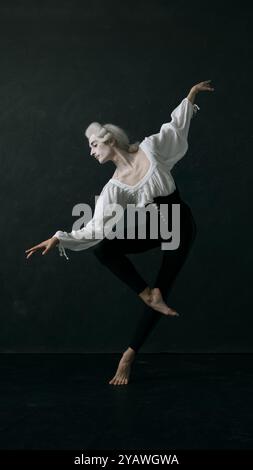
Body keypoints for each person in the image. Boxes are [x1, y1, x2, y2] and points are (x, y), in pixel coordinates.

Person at [25, 80, 214, 385]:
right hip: (157, 226)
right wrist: (59, 237)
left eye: (93, 145)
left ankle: (128, 355)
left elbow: (174, 128)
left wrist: (190, 97)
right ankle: (146, 294)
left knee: (163, 287)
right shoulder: (115, 187)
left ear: (110, 140)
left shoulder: (150, 149)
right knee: (104, 248)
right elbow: (96, 228)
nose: (90, 152)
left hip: (180, 225)